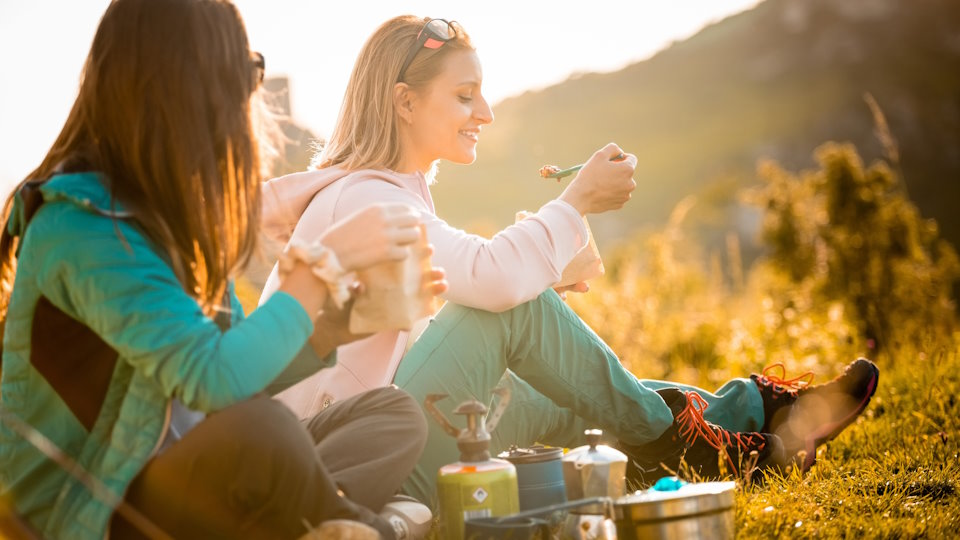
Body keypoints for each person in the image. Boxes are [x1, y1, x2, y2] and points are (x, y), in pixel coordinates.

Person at [260, 15, 880, 504]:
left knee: (568, 398)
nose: (486, 113)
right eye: (465, 95)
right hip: (358, 468)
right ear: (405, 103)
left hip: (385, 442)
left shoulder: (379, 193)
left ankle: (763, 419)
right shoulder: (366, 196)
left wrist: (543, 281)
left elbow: (437, 318)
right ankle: (697, 448)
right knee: (508, 310)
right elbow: (489, 283)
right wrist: (575, 202)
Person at [0, 2, 446, 539]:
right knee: (265, 432)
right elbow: (214, 381)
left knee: (389, 414)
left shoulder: (166, 220)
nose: (249, 95)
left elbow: (237, 371)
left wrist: (332, 327)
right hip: (98, 509)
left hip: (193, 471)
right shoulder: (83, 229)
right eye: (242, 70)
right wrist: (319, 269)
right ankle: (363, 526)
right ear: (183, 86)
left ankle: (319, 519)